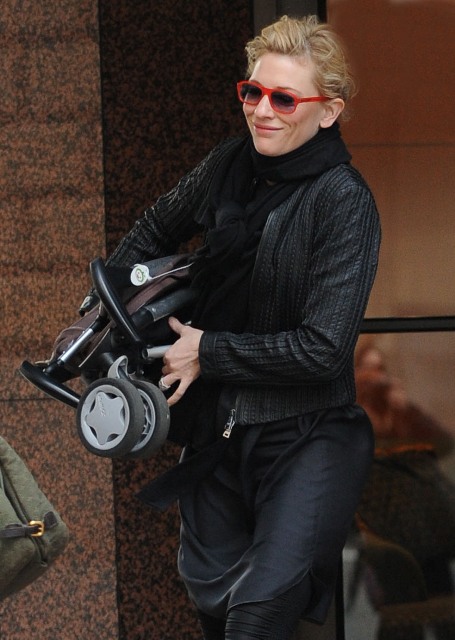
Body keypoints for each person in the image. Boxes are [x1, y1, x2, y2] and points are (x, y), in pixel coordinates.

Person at [82, 15, 381, 640]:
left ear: (329, 112)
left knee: (256, 620)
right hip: (218, 434)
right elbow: (155, 226)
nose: (262, 111)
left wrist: (207, 352)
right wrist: (107, 315)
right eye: (253, 91)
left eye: (284, 99)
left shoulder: (343, 200)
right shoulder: (228, 165)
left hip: (308, 439)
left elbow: (324, 350)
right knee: (217, 620)